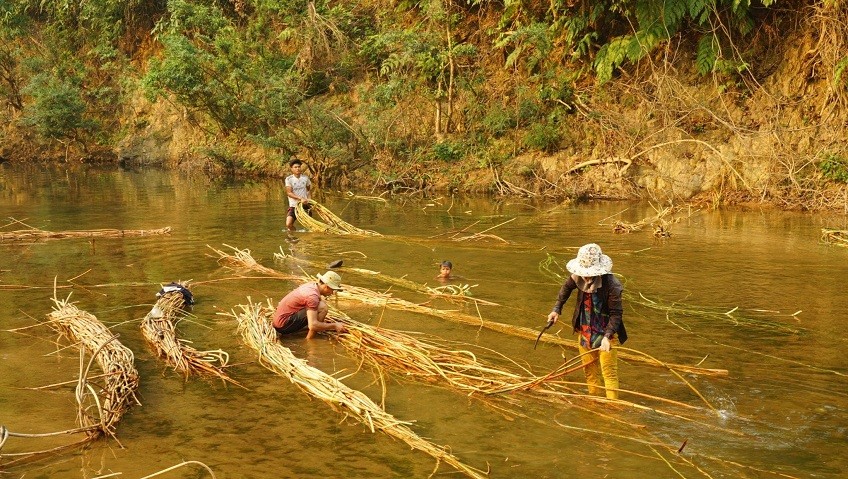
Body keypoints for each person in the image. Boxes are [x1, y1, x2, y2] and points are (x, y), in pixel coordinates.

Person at [546, 243, 627, 399]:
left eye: (589, 273)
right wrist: (557, 309)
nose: (586, 276)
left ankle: (613, 408)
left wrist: (608, 336)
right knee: (589, 372)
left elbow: (617, 314)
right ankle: (594, 403)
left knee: (609, 373)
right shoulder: (578, 276)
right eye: (583, 273)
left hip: (606, 333)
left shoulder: (612, 285)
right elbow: (566, 288)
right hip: (584, 331)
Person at [273, 271, 348, 339]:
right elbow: (312, 325)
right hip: (283, 326)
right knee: (323, 308)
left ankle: (314, 328)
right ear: (327, 287)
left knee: (321, 304)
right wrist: (334, 325)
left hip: (280, 321)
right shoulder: (312, 296)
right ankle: (309, 339)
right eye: (332, 290)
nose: (332, 293)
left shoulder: (311, 285)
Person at [284, 158, 312, 231]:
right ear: (291, 169)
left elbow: (308, 190)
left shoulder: (305, 178)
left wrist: (309, 200)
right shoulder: (289, 179)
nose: (297, 169)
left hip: (305, 205)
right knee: (288, 224)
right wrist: (300, 198)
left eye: (299, 167)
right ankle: (295, 234)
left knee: (310, 225)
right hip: (294, 206)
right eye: (295, 167)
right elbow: (289, 193)